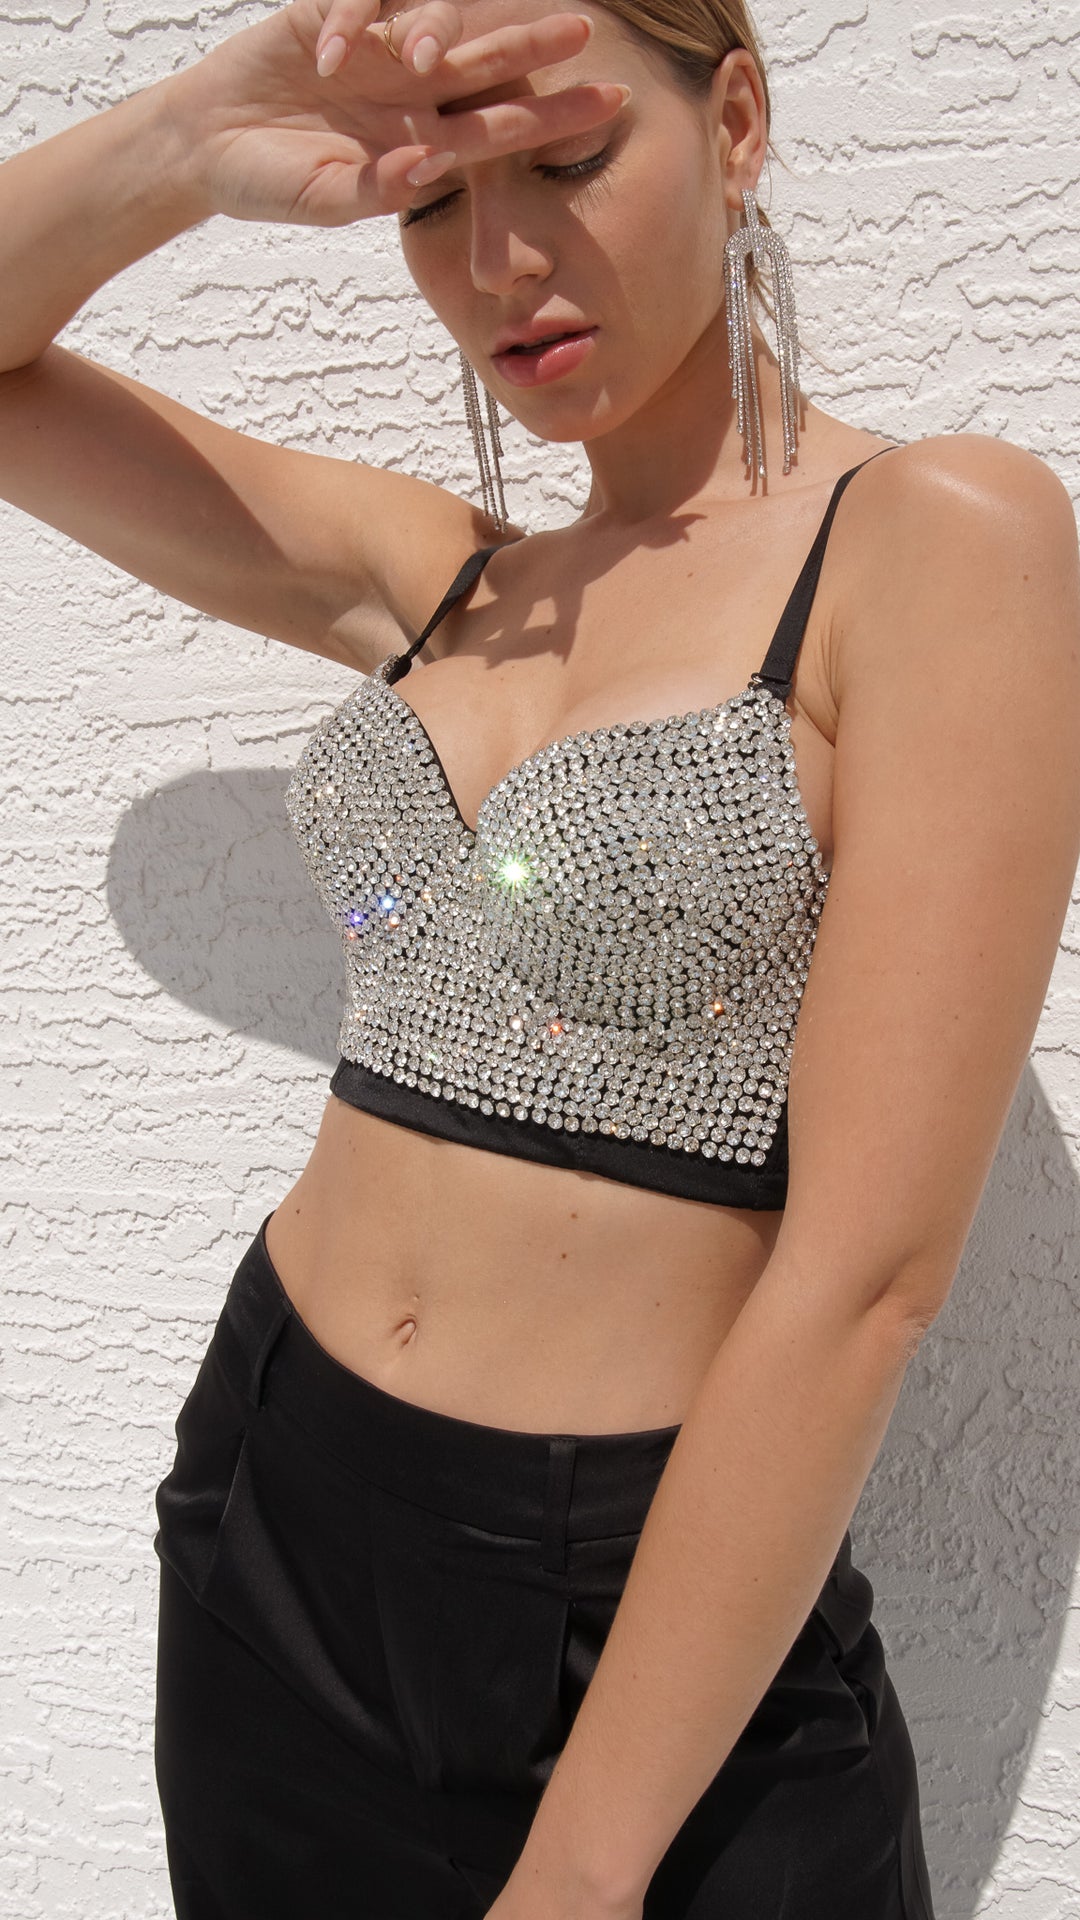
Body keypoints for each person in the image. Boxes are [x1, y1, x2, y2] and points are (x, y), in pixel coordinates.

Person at [2, 0, 1078, 1912]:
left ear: (734, 124)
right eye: (437, 200)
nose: (499, 263)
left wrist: (581, 1874)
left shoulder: (933, 539)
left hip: (642, 1618)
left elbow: (867, 1282)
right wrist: (189, 131)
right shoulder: (453, 583)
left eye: (567, 163)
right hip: (270, 1518)